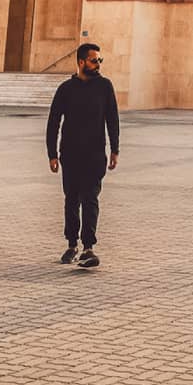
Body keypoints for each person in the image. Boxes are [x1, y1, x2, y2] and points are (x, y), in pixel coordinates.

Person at [46, 42, 119, 267]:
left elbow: (112, 119)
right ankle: (71, 244)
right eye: (93, 60)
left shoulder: (105, 87)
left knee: (90, 199)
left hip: (95, 155)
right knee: (71, 200)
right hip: (70, 154)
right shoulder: (66, 89)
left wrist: (115, 149)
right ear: (81, 62)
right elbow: (53, 122)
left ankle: (89, 247)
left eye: (99, 60)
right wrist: (52, 153)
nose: (98, 64)